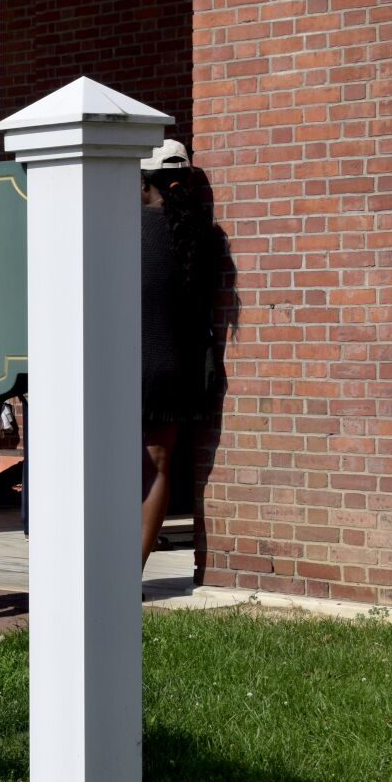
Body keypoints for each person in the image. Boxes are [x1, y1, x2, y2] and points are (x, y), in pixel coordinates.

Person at [140, 139, 220, 567]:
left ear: (141, 184)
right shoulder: (200, 234)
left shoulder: (119, 230)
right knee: (158, 468)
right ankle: (129, 572)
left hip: (124, 364)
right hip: (176, 367)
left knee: (110, 467)